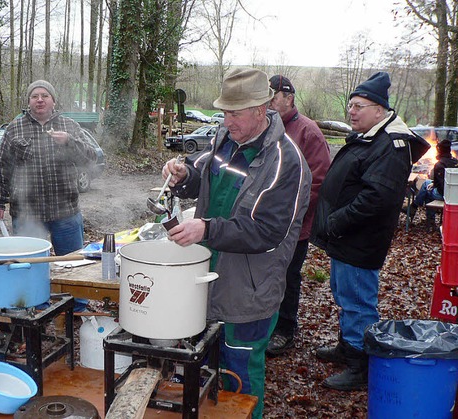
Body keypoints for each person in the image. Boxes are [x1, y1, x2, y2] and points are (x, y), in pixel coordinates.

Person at [162, 67, 312, 419]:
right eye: (224, 112)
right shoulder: (225, 138)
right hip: (208, 276)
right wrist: (184, 175)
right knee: (211, 367)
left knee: (241, 374)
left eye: (234, 113)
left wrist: (206, 229)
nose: (226, 120)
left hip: (250, 287)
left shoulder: (285, 162)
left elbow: (266, 232)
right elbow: (201, 174)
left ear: (260, 110)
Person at [311, 72, 430, 391]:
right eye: (350, 104)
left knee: (358, 302)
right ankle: (346, 346)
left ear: (379, 109)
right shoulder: (371, 136)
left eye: (359, 105)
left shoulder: (390, 146)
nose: (351, 111)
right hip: (347, 237)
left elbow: (376, 198)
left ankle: (359, 364)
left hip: (358, 239)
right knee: (344, 294)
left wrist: (336, 221)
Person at [0, 80, 98, 255]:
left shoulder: (69, 126)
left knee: (73, 266)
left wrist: (69, 142)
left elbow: (90, 159)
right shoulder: (14, 128)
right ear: (29, 101)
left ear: (53, 101)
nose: (40, 100)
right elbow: (1, 168)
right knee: (29, 267)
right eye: (34, 96)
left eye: (45, 96)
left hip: (65, 212)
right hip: (26, 215)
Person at [265, 75, 331, 356]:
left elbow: (320, 181)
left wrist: (291, 212)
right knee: (266, 275)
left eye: (273, 96)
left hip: (295, 226)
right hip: (263, 223)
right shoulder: (266, 127)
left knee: (288, 276)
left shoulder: (308, 132)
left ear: (288, 97)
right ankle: (267, 324)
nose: (268, 102)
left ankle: (285, 330)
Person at [410, 139, 458, 227]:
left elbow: (441, 187)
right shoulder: (456, 162)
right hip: (455, 194)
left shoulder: (439, 165)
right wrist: (434, 183)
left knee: (426, 189)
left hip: (445, 195)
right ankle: (428, 219)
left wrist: (435, 184)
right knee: (428, 186)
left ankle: (415, 207)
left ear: (439, 150)